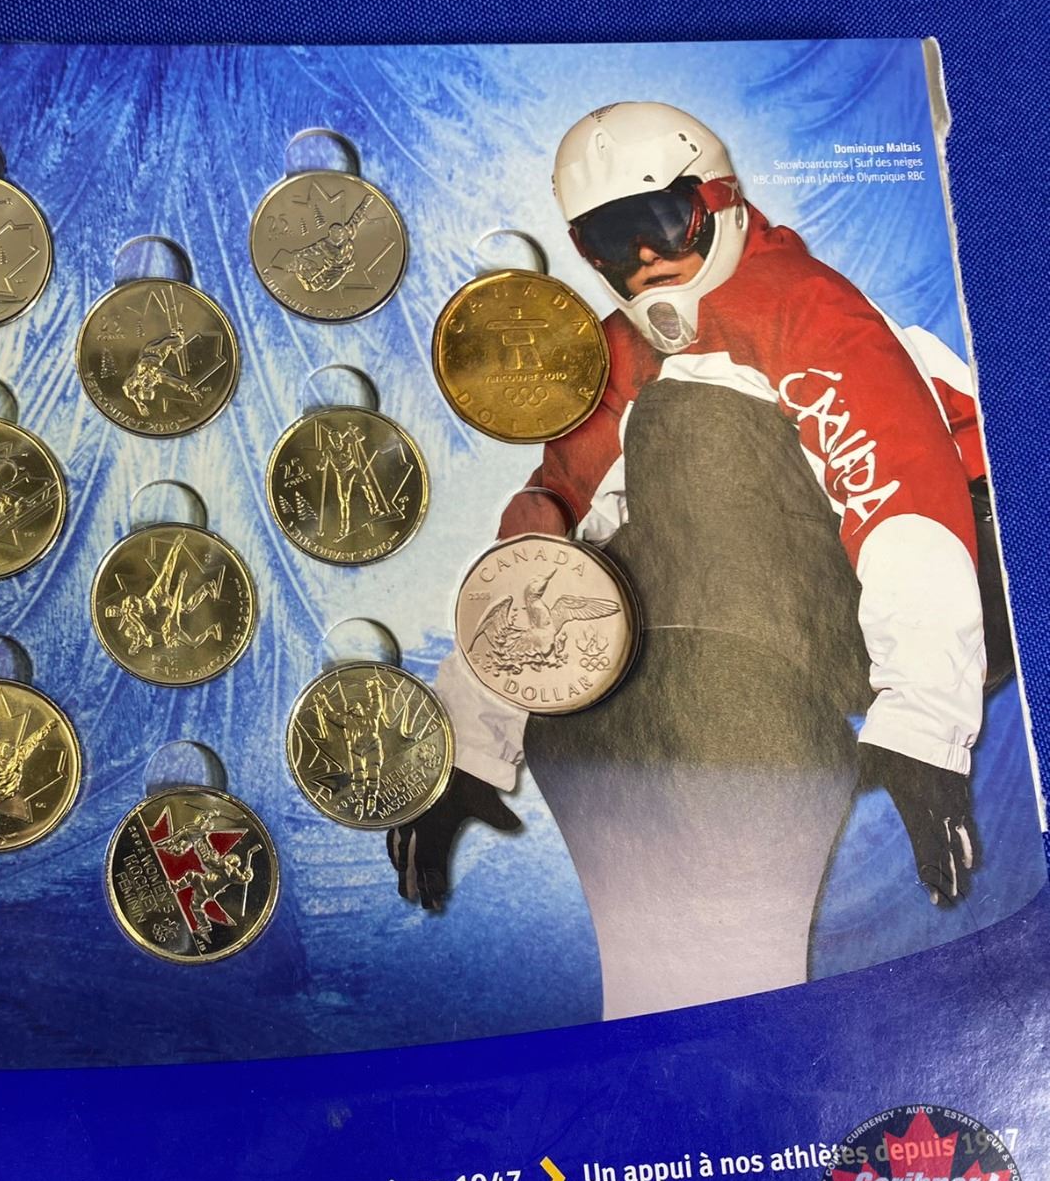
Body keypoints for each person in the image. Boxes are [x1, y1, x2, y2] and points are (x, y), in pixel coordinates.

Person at [392, 102, 1008, 1016]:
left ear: (718, 201)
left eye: (663, 220)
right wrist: (468, 746)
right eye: (612, 240)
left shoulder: (804, 307)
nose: (645, 259)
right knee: (604, 556)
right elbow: (551, 551)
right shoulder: (619, 356)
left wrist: (924, 728)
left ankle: (754, 756)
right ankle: (684, 978)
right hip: (754, 589)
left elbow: (902, 497)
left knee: (690, 417)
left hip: (961, 569)